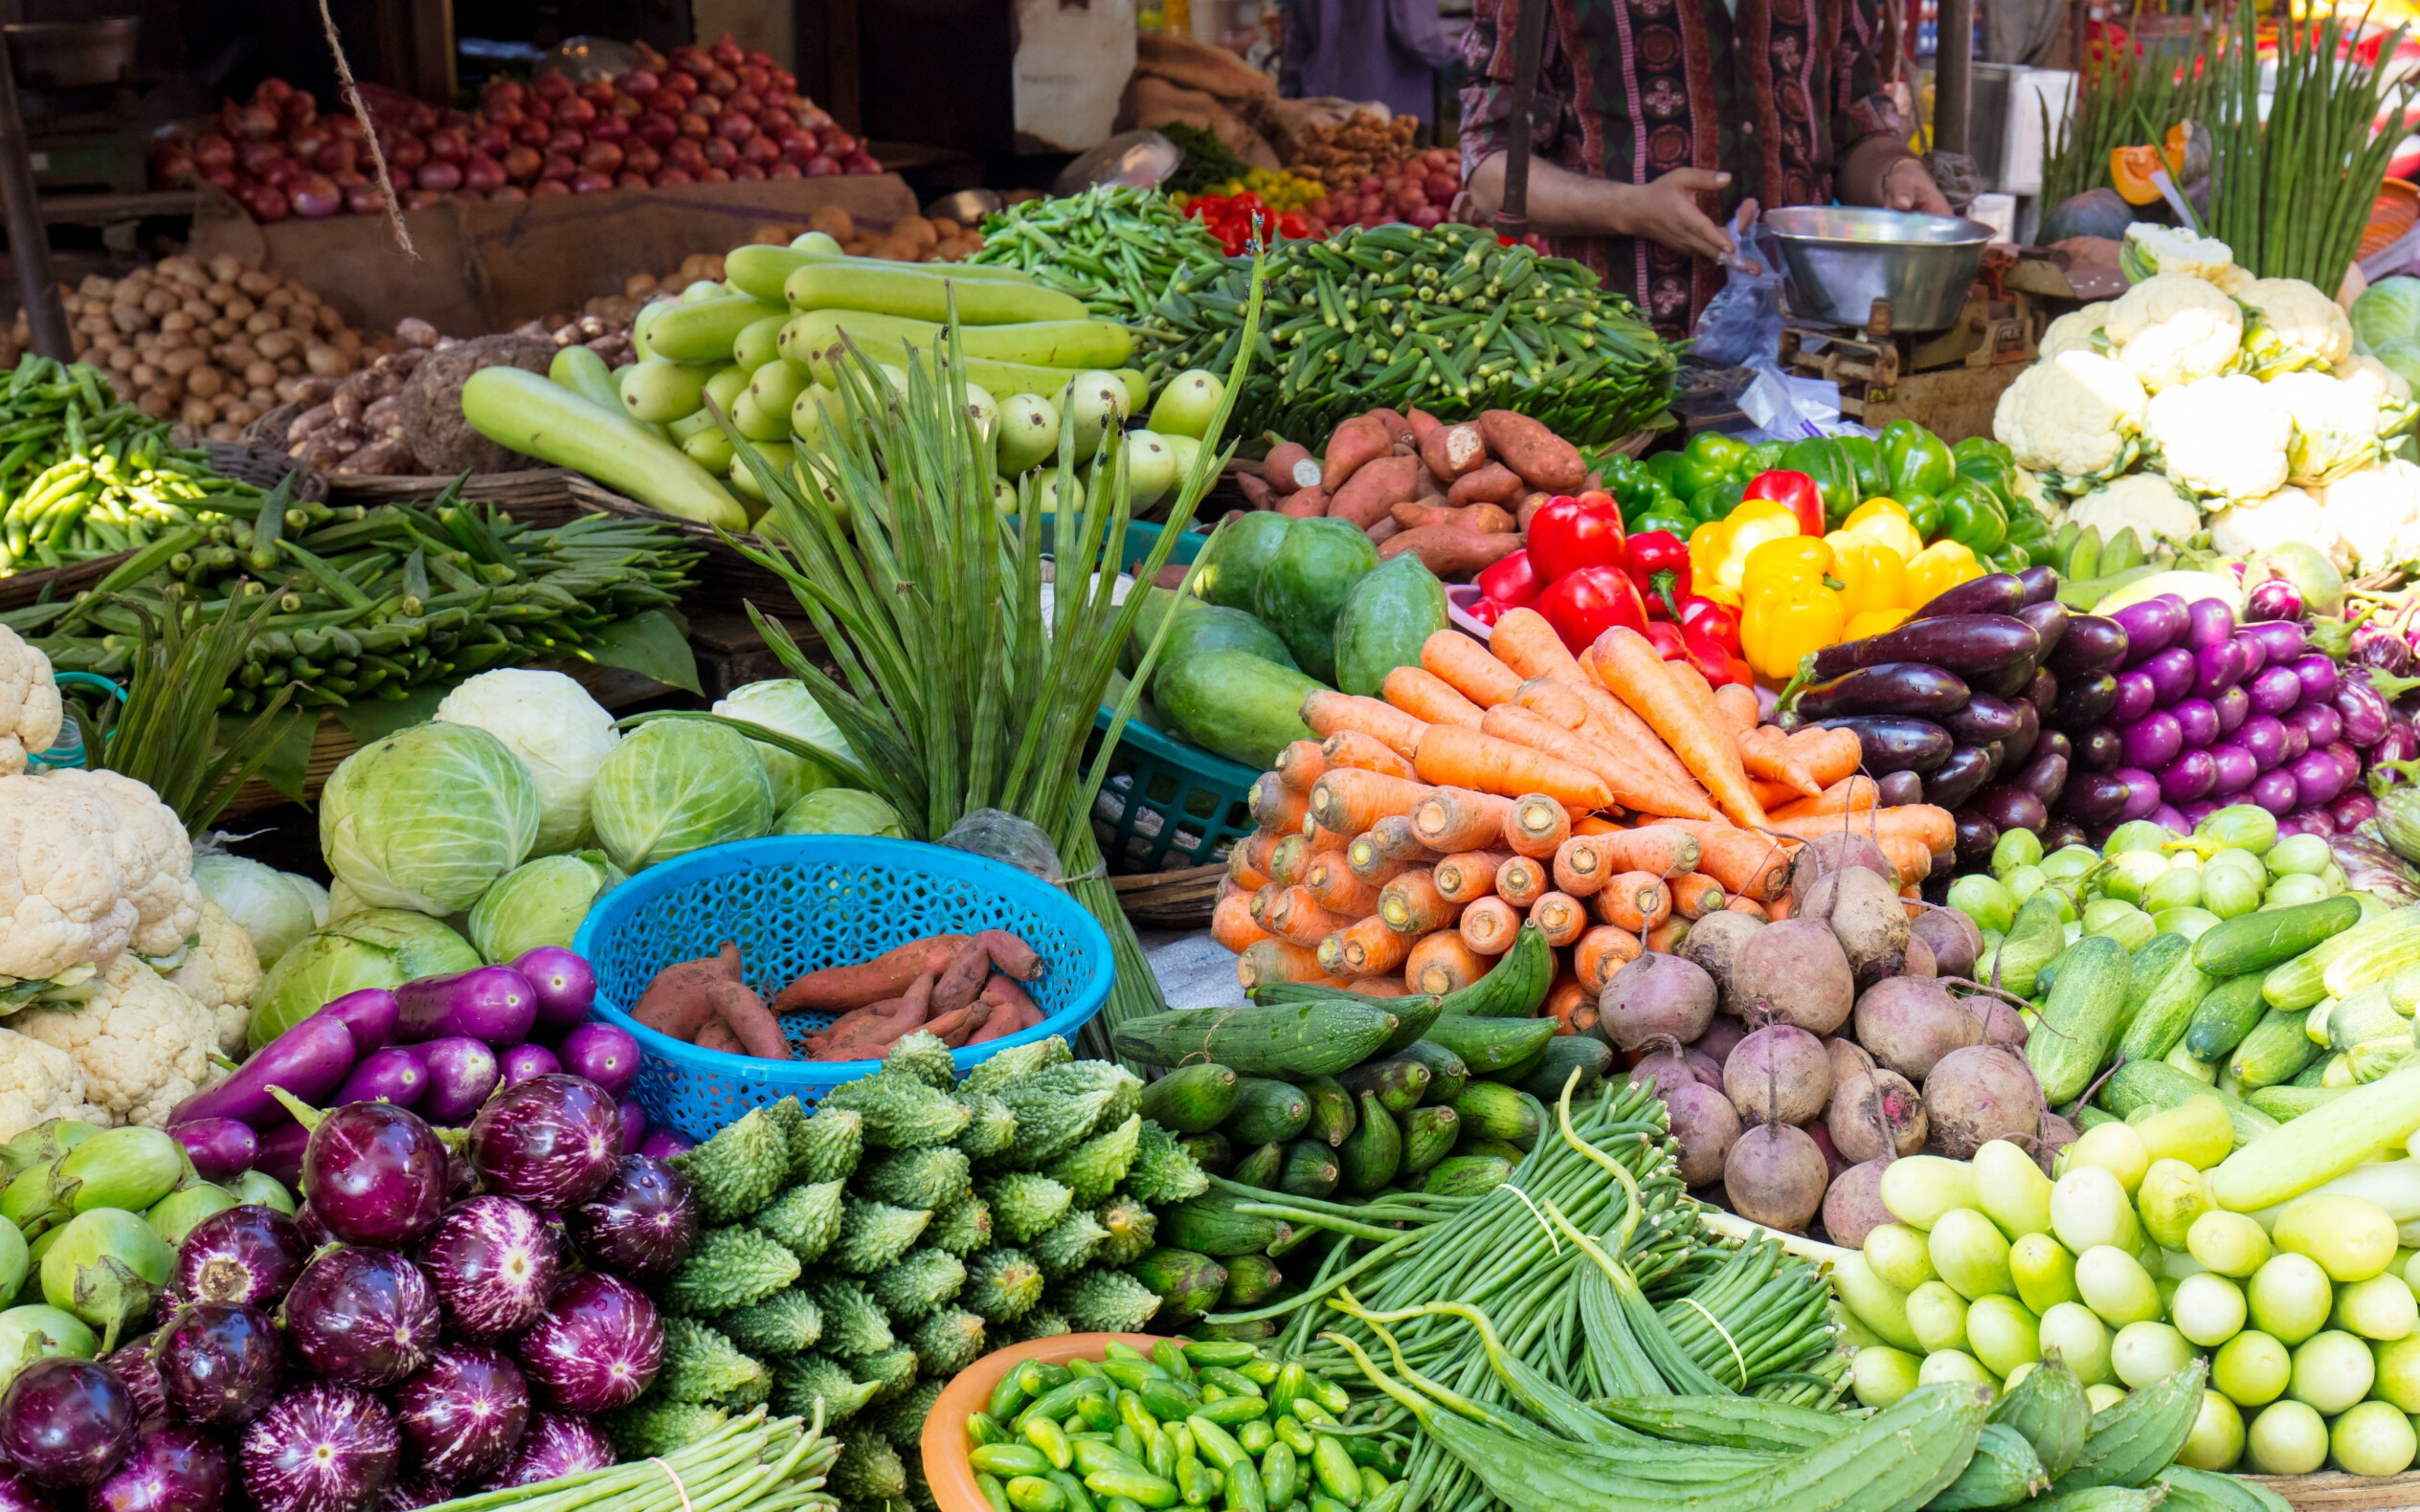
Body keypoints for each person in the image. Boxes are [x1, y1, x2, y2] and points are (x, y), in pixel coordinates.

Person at [1459, 0, 1952, 337]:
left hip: (1806, 355)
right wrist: (1631, 209)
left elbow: (1853, 124)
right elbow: (1489, 165)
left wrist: (1893, 172)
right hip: (1618, 354)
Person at [1281, 0, 1463, 125]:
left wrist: (1286, 104)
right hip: (1387, 117)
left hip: (1319, 110)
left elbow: (1295, 45)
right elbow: (1418, 40)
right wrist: (1472, 44)